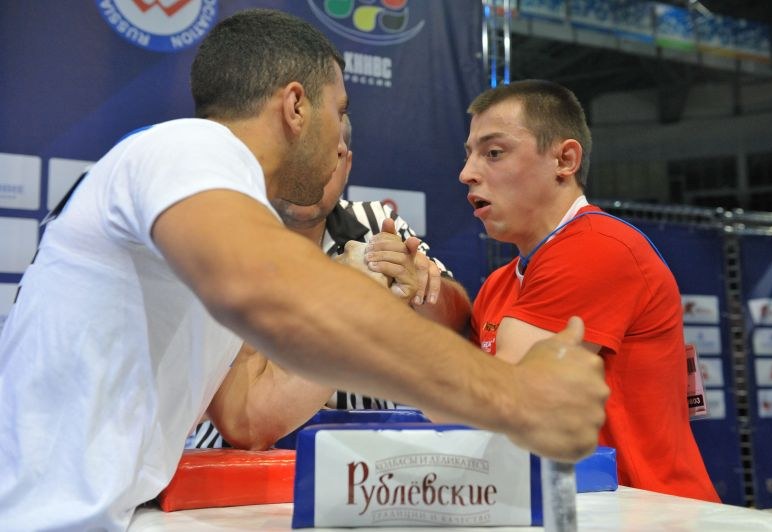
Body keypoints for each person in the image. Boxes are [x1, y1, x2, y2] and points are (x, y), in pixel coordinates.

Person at [0, 10, 608, 530]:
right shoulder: (189, 148)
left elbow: (243, 412)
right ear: (296, 106)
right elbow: (278, 293)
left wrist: (377, 294)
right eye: (337, 109)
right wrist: (514, 395)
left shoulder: (213, 217)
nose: (341, 139)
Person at [461, 79, 719, 502]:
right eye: (469, 154)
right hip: (585, 508)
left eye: (493, 152)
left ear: (564, 159)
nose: (466, 173)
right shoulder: (499, 284)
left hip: (650, 514)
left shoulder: (597, 247)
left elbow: (500, 395)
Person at [193, 115, 472, 449]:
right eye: (304, 151)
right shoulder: (230, 233)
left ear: (347, 163)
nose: (318, 166)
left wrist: (421, 290)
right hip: (238, 458)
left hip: (365, 456)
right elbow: (242, 413)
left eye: (333, 154)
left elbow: (457, 318)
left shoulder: (379, 222)